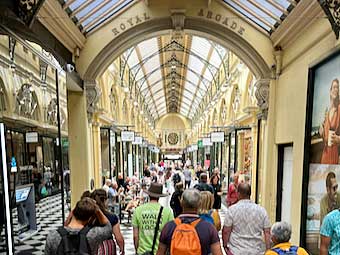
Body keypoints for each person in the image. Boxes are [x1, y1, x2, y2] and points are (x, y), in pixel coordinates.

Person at [156, 189, 223, 255]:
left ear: (181, 202)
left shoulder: (168, 227)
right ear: (199, 204)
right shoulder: (209, 228)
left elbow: (160, 252)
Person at [45, 197, 112, 255]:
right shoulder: (93, 235)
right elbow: (108, 227)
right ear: (89, 219)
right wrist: (97, 209)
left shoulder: (53, 235)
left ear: (73, 212)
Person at [222, 183, 271, 255]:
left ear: (238, 193)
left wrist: (225, 245)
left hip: (236, 250)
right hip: (256, 250)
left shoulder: (232, 210)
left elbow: (226, 231)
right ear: (250, 194)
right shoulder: (261, 210)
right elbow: (267, 232)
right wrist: (268, 249)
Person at [132, 182, 173, 255]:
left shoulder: (138, 210)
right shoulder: (167, 212)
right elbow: (170, 235)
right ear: (159, 196)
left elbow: (135, 236)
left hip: (142, 252)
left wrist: (137, 250)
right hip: (160, 252)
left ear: (149, 194)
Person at [91, 189, 125, 255]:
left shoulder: (88, 217)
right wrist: (122, 249)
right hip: (107, 247)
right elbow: (118, 237)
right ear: (105, 200)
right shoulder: (112, 217)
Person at [319, 78, 340, 164]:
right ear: (330, 91)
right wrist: (322, 133)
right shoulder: (327, 111)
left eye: (337, 87)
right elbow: (325, 136)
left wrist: (339, 139)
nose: (336, 89)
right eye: (334, 87)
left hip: (335, 154)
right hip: (325, 154)